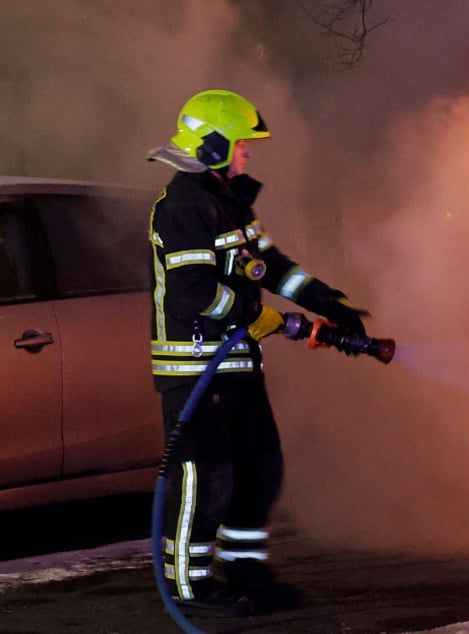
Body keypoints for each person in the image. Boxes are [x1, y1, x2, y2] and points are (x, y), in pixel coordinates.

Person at [146, 89, 368, 616]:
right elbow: (193, 293)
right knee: (207, 476)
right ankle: (189, 585)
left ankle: (245, 569)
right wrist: (265, 319)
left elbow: (270, 265)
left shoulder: (229, 203)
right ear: (213, 143)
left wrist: (327, 302)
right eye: (242, 143)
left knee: (261, 468)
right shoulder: (182, 206)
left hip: (237, 363)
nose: (248, 152)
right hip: (195, 368)